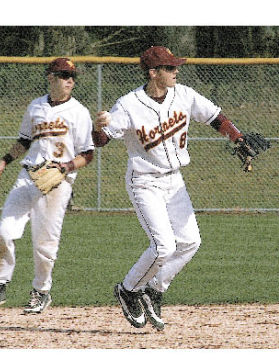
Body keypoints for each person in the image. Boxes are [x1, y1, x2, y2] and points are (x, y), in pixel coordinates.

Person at [92, 46, 244, 330]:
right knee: (164, 246)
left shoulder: (184, 95)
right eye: (170, 68)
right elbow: (101, 140)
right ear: (153, 73)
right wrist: (98, 127)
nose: (176, 71)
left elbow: (215, 117)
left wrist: (237, 137)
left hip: (175, 181)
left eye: (175, 67)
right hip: (145, 181)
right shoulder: (128, 105)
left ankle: (153, 291)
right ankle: (128, 289)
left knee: (190, 242)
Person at [0, 57, 94, 313]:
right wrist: (4, 161)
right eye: (63, 75)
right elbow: (24, 140)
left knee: (44, 242)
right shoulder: (36, 106)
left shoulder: (79, 112)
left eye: (72, 76)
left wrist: (65, 168)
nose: (69, 80)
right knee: (4, 230)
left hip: (56, 181)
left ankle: (41, 291)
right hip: (27, 175)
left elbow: (88, 154)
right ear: (50, 77)